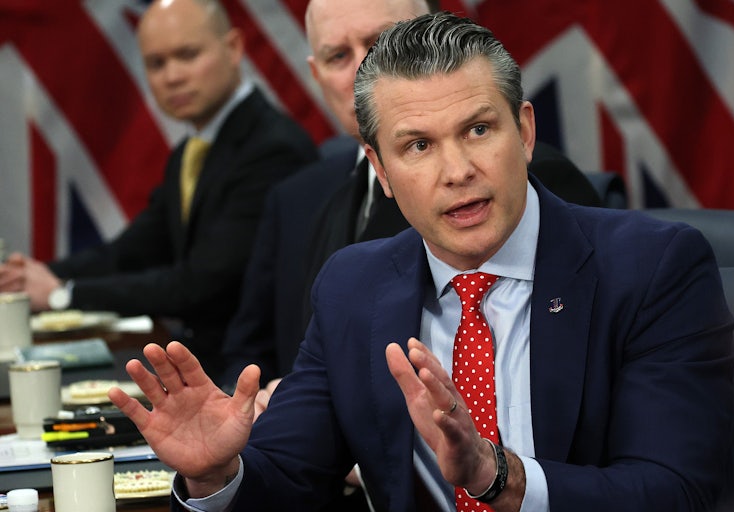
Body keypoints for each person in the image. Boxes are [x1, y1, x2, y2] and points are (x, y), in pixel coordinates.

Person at [110, 12, 734, 512]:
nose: (457, 171)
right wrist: (218, 475)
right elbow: (287, 480)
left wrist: (498, 476)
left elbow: (674, 492)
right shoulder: (352, 287)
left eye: (478, 130)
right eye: (417, 146)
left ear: (524, 132)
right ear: (380, 170)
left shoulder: (653, 268)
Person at [219, 0, 600, 387]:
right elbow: (261, 353)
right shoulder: (306, 195)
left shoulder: (528, 179)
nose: (362, 69)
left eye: (380, 43)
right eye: (338, 56)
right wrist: (275, 401)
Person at [0, 0, 317, 376]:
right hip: (198, 363)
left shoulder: (272, 149)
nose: (172, 77)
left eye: (187, 55)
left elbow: (199, 286)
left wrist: (62, 294)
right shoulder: (191, 151)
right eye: (156, 63)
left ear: (233, 48)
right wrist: (34, 276)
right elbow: (133, 251)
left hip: (250, 376)